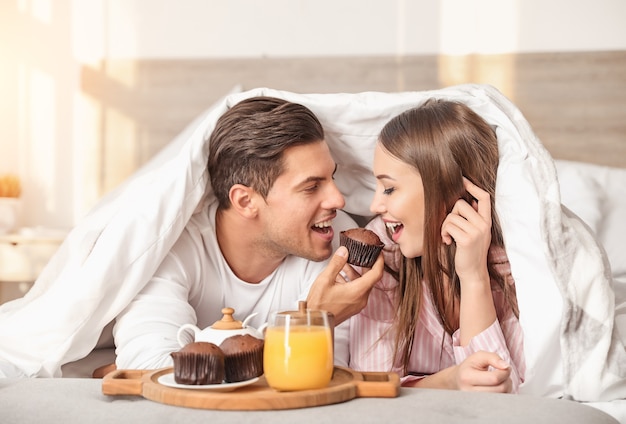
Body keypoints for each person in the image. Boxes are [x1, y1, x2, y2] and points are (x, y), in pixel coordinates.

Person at [113, 96, 383, 370]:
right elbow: (151, 371)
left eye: (332, 178)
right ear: (245, 201)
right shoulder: (172, 251)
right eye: (312, 187)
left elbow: (319, 379)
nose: (338, 200)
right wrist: (313, 321)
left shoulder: (335, 243)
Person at [348, 98, 525, 393]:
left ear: (450, 190)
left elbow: (501, 395)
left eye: (389, 188)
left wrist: (474, 278)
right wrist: (451, 380)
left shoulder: (512, 269)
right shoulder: (385, 254)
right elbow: (372, 388)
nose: (375, 205)